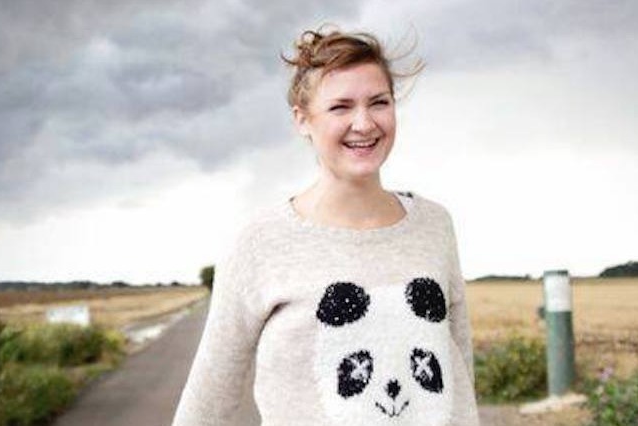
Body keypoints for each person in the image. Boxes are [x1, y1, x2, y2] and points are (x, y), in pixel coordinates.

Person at [173, 25, 480, 425]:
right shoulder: (260, 242)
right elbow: (208, 403)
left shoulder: (435, 225)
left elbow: (460, 375)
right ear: (303, 119)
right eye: (341, 107)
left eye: (379, 102)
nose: (365, 123)